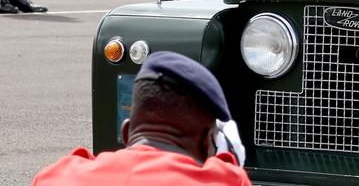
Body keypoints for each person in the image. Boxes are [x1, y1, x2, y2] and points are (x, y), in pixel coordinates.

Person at [33, 51, 249, 185]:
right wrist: (230, 163)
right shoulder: (227, 181)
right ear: (204, 143)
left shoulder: (55, 177)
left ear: (127, 133)